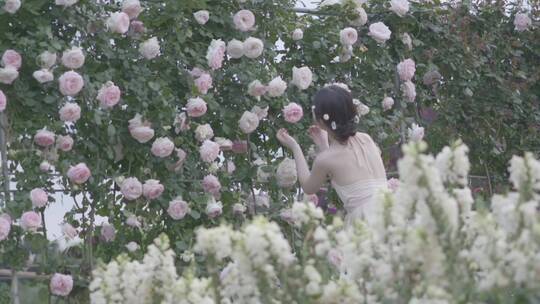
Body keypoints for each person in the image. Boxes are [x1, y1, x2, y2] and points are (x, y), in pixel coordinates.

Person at [276, 85, 388, 226]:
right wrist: (324, 144)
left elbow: (308, 186)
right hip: (390, 209)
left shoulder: (326, 159)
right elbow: (342, 166)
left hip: (366, 219)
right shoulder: (366, 139)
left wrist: (295, 147)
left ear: (321, 121)